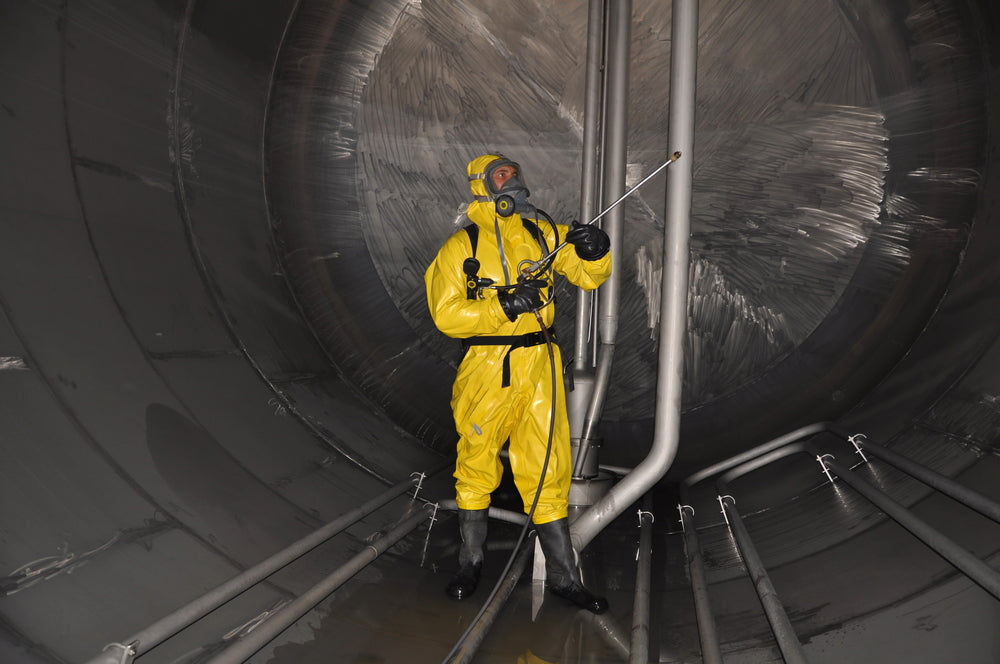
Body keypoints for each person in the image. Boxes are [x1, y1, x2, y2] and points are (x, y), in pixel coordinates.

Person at [424, 154, 612, 614]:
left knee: (548, 464)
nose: (513, 181)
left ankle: (566, 577)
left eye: (513, 173)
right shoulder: (461, 246)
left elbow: (587, 276)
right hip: (487, 365)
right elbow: (445, 314)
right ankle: (470, 564)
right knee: (476, 461)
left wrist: (595, 249)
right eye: (501, 176)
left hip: (541, 363)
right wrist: (503, 308)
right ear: (482, 186)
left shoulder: (540, 234)